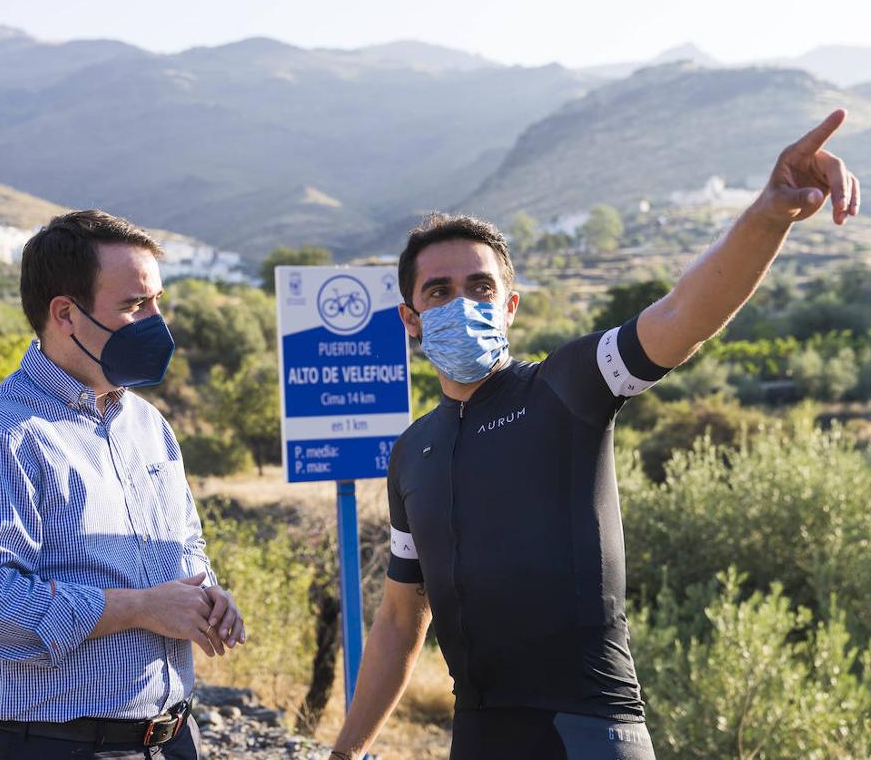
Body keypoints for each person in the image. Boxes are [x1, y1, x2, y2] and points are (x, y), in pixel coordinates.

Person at [328, 110, 860, 760]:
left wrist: (770, 213)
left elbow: (683, 315)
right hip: (478, 743)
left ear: (510, 306)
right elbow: (398, 623)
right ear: (411, 319)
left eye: (480, 287)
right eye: (438, 292)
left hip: (590, 738)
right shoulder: (412, 453)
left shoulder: (565, 388)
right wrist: (344, 752)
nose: (460, 304)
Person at [0, 210, 247, 760]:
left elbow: (186, 547)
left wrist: (207, 596)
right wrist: (140, 607)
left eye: (157, 302)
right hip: (52, 744)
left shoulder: (147, 425)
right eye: (134, 305)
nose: (156, 322)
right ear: (66, 314)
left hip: (169, 741)